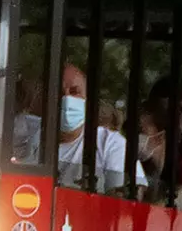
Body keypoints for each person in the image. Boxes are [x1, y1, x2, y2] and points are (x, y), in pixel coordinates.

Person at [55, 62, 146, 190]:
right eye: (59, 93)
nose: (67, 98)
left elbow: (128, 202)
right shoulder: (28, 139)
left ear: (88, 99)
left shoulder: (110, 145)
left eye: (75, 92)